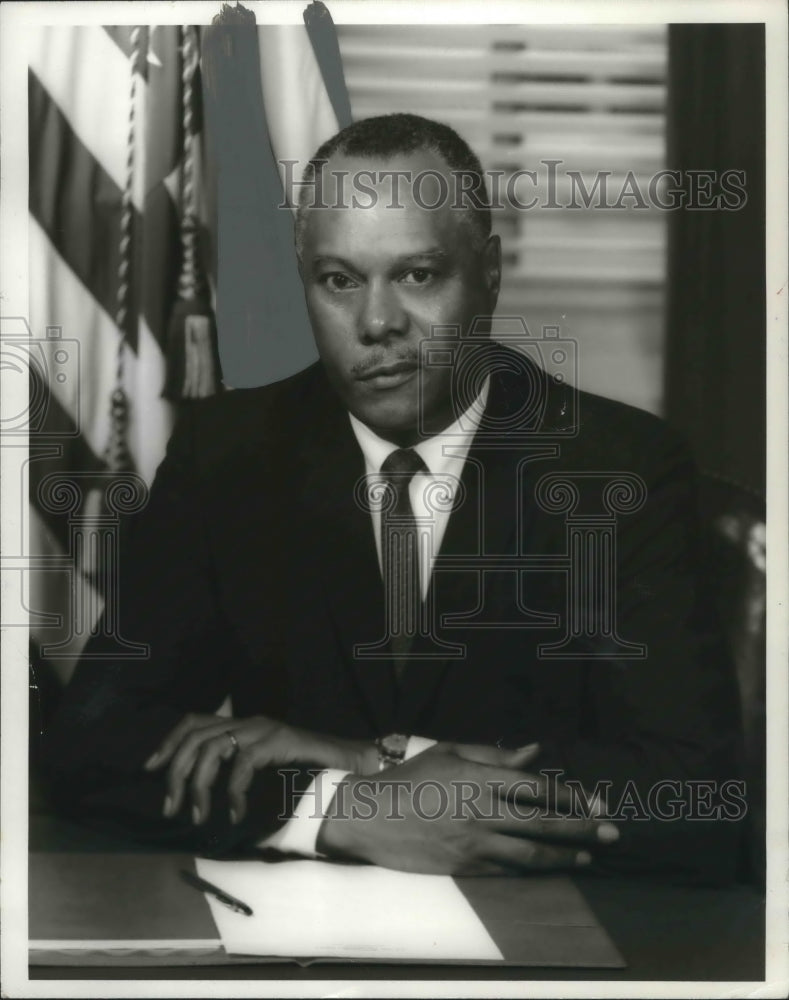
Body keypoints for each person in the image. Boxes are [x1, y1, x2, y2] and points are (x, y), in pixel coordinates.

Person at [44, 113, 744, 882]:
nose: (376, 324)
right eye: (338, 281)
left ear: (489, 273)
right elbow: (91, 744)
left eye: (417, 275)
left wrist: (374, 759)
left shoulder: (621, 467)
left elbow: (693, 793)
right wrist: (339, 809)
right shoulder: (228, 454)